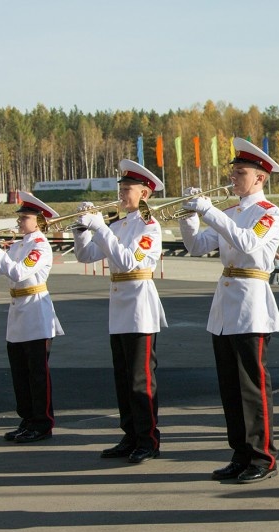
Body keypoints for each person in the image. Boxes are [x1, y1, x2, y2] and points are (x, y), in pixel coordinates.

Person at [179, 137, 279, 484]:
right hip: (226, 306)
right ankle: (240, 452)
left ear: (260, 178)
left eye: (241, 173)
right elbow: (196, 246)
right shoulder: (229, 213)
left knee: (251, 385)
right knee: (230, 386)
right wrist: (189, 216)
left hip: (251, 305)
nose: (234, 178)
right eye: (234, 171)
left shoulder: (268, 212)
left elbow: (248, 242)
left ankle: (263, 455)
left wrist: (209, 211)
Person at [73, 159, 167, 464]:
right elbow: (86, 254)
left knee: (141, 379)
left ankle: (148, 439)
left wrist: (100, 226)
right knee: (123, 377)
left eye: (129, 189)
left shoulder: (149, 227)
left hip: (140, 309)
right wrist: (81, 229)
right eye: (122, 188)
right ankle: (130, 435)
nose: (123, 193)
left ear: (145, 194)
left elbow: (128, 261)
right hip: (119, 309)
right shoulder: (118, 225)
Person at [0, 192, 64, 444]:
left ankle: (42, 423)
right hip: (18, 315)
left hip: (36, 314)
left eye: (24, 217)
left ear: (39, 221)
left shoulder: (40, 246)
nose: (19, 221)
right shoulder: (19, 245)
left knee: (37, 374)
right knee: (20, 373)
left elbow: (17, 272)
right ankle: (27, 419)